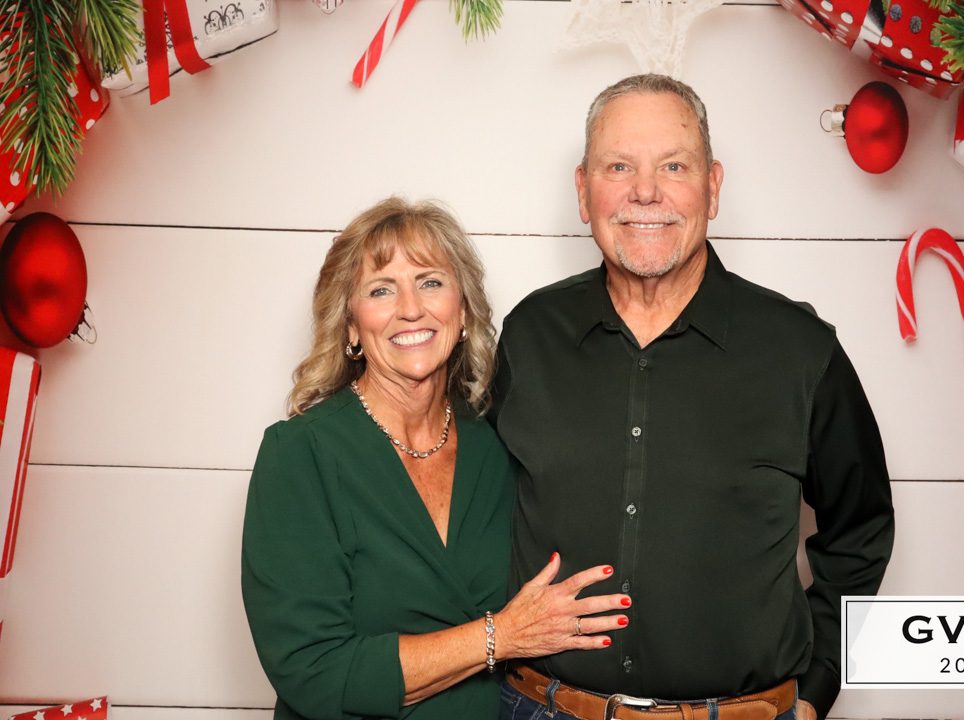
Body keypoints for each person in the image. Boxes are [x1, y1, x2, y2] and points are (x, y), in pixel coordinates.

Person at [490, 75, 895, 720]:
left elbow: (862, 529)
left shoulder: (799, 351)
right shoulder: (529, 336)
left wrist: (819, 684)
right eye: (619, 166)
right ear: (583, 191)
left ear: (714, 186)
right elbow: (473, 507)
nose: (645, 191)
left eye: (674, 166)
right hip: (542, 708)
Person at [241, 197, 630, 720]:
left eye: (430, 282)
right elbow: (314, 671)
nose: (410, 308)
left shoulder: (498, 444)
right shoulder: (301, 454)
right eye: (381, 290)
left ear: (462, 311)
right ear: (351, 325)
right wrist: (501, 636)